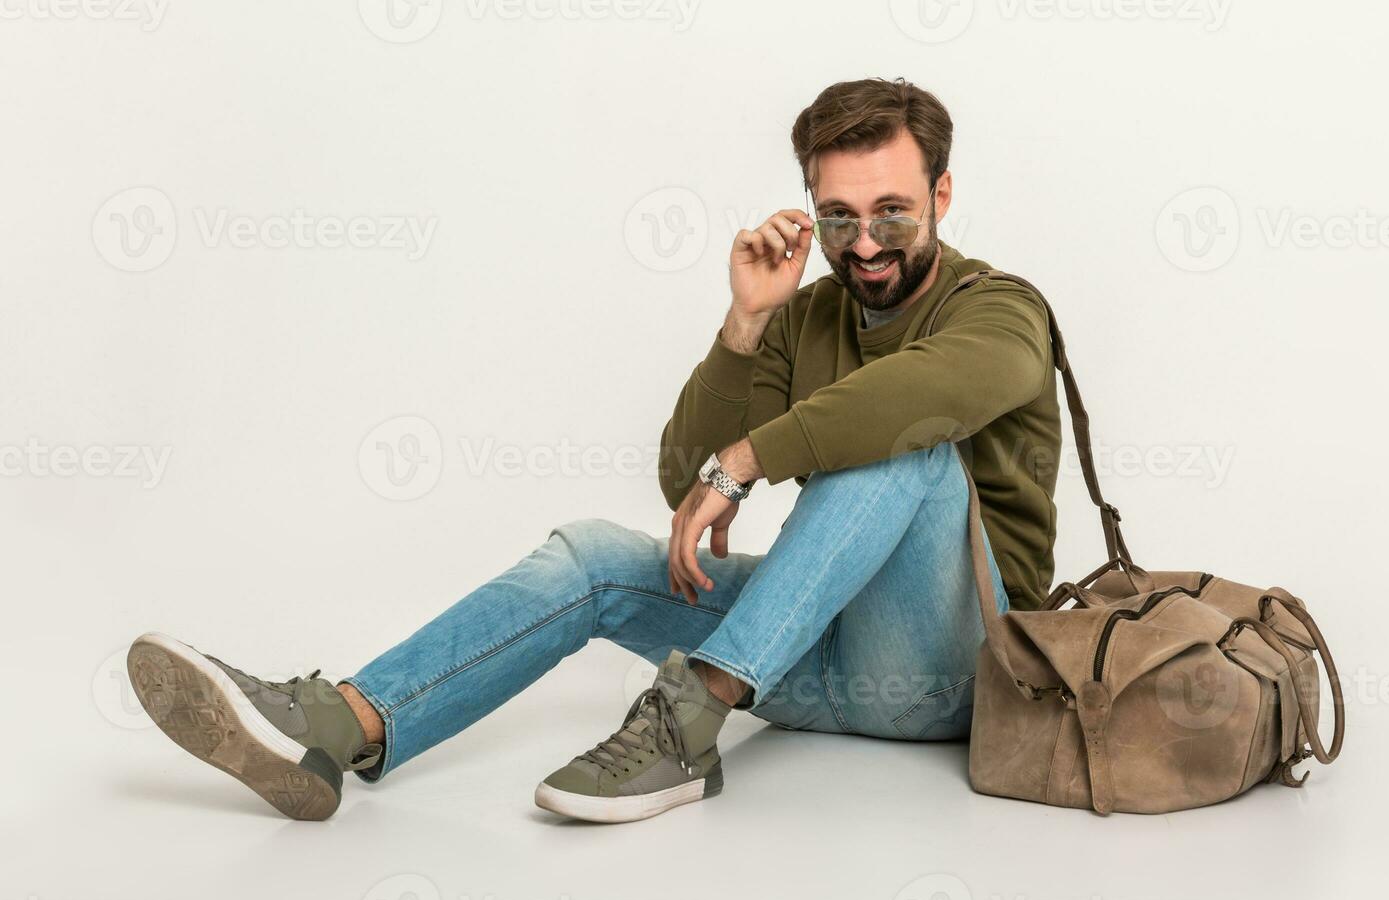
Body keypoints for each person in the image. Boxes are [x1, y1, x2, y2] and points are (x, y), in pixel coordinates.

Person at [128, 77, 1062, 823]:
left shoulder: (1002, 312)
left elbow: (905, 401)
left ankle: (686, 727)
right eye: (837, 218)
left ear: (942, 195)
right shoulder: (807, 315)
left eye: (892, 213)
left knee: (902, 449)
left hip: (955, 671)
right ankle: (344, 724)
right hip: (803, 657)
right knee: (590, 555)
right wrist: (744, 327)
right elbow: (681, 485)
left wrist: (748, 460)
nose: (863, 245)